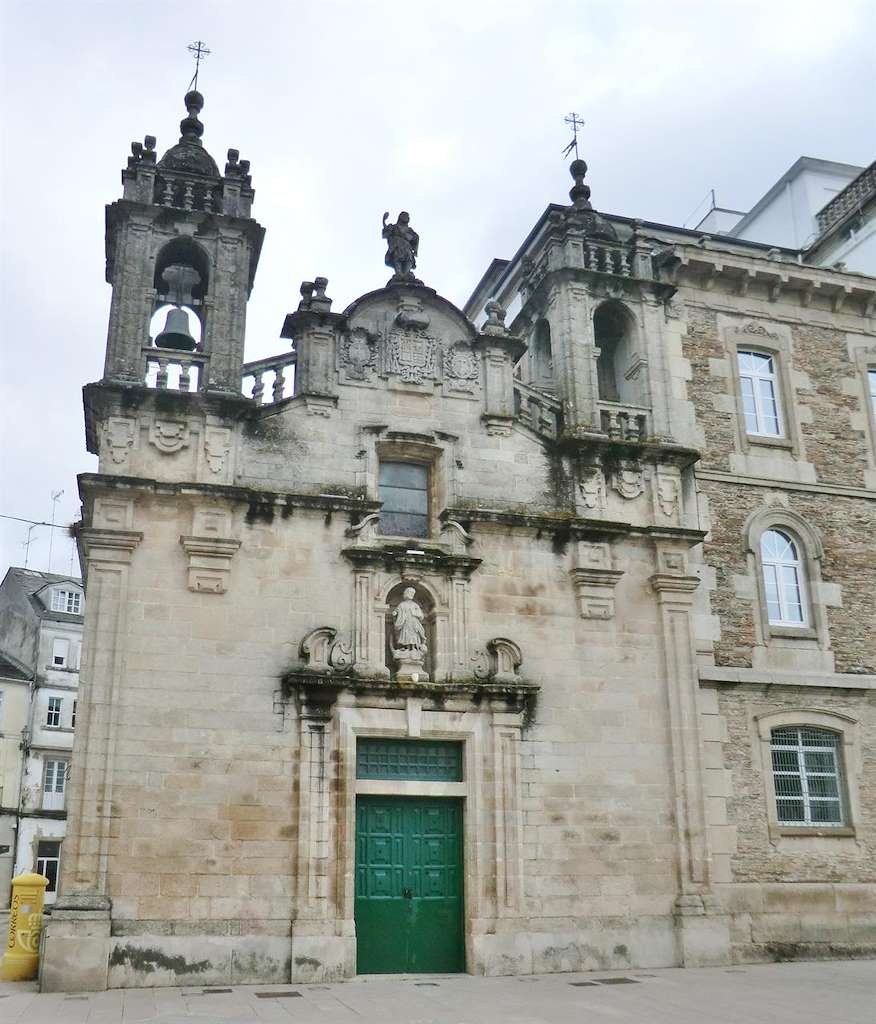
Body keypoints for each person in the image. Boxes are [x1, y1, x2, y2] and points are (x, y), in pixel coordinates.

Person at [382, 211, 419, 278]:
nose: (407, 218)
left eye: (407, 217)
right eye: (404, 216)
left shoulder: (409, 230)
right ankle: (399, 273)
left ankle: (406, 273)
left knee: (409, 259)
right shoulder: (395, 227)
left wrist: (415, 250)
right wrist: (383, 221)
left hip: (407, 248)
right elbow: (387, 232)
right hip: (397, 246)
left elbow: (416, 237)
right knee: (398, 258)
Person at [392, 587, 427, 654]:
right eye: (410, 593)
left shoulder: (415, 605)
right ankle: (407, 648)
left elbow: (421, 615)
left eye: (412, 593)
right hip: (405, 622)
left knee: (414, 635)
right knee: (406, 635)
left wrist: (416, 614)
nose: (411, 594)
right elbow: (397, 610)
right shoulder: (402, 604)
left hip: (414, 623)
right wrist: (395, 613)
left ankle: (414, 648)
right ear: (406, 594)